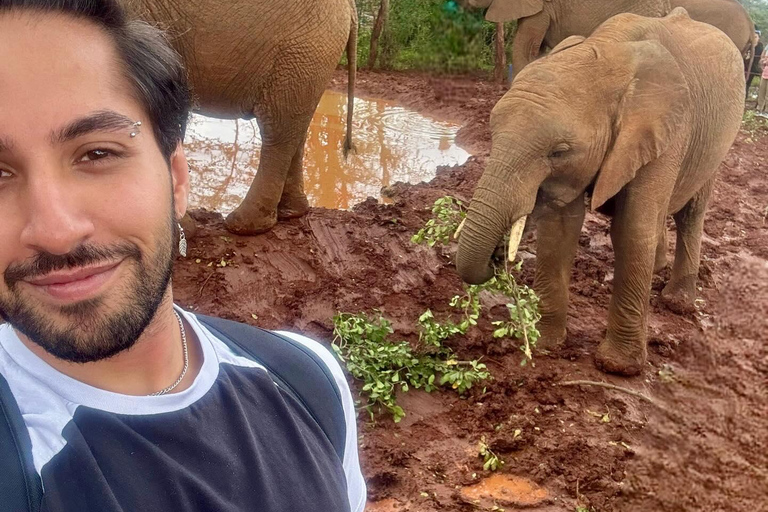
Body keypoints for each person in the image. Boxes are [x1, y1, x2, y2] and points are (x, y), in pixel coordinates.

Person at [0, 1, 366, 511]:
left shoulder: (308, 382)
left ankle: (274, 193)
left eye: (98, 153)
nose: (56, 232)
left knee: (285, 124)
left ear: (176, 177)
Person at [759, 47, 768, 116]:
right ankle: (760, 109)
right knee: (762, 91)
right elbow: (763, 59)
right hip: (765, 73)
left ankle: (766, 111)